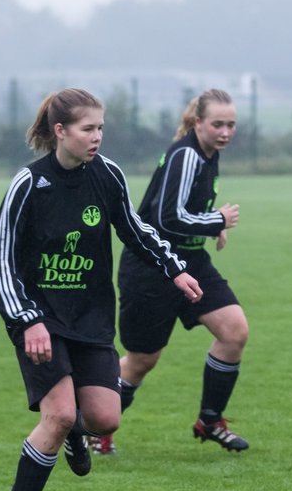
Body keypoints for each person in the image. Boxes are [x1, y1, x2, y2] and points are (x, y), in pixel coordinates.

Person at [0, 88, 201, 491]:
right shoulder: (29, 183)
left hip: (91, 318)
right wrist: (26, 319)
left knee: (105, 418)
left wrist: (175, 269)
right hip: (40, 322)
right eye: (88, 129)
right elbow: (1, 259)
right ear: (60, 131)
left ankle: (75, 435)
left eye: (101, 128)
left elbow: (134, 228)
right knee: (61, 414)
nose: (97, 137)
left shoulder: (106, 175)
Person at [94, 88, 249, 455]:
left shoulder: (208, 154)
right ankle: (92, 428)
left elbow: (184, 211)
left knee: (234, 332)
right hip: (154, 266)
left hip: (192, 263)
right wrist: (217, 219)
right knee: (141, 360)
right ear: (198, 123)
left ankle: (210, 420)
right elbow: (168, 218)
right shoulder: (187, 156)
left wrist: (214, 226)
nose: (225, 132)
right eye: (217, 124)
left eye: (231, 125)